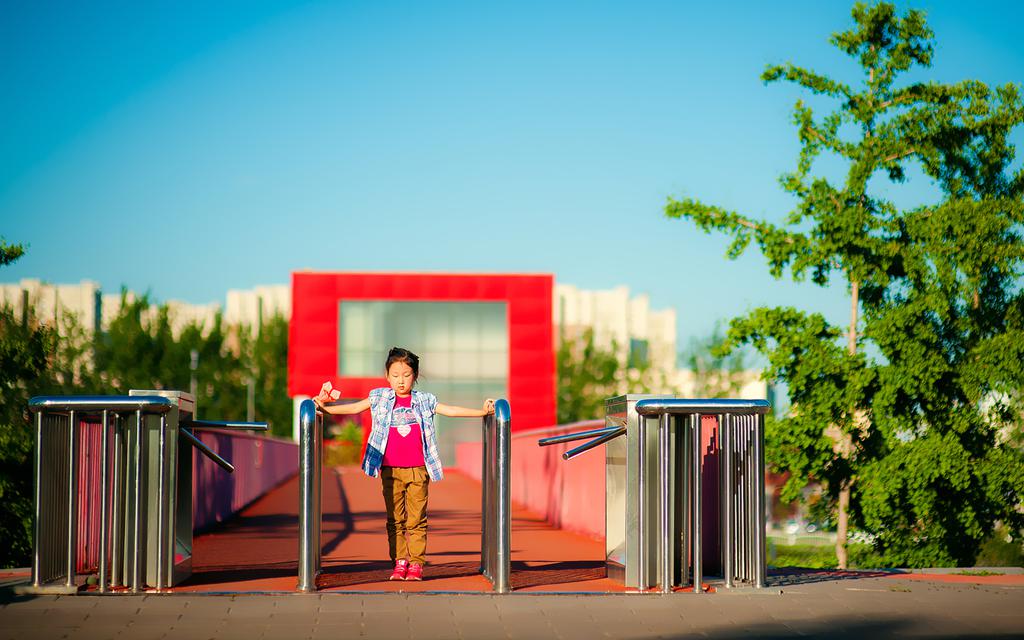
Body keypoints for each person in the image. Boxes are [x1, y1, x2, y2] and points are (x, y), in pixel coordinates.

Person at [313, 347, 495, 581]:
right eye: (396, 375)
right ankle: (400, 562)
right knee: (395, 519)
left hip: (419, 470)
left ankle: (416, 563)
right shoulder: (379, 397)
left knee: (417, 519)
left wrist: (481, 412)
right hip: (390, 470)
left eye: (407, 375)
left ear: (415, 376)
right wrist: (323, 408)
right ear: (387, 376)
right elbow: (355, 407)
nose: (401, 381)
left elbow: (449, 410)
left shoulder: (424, 400)